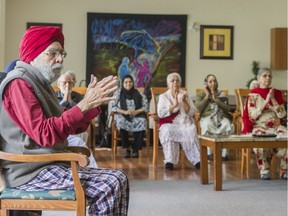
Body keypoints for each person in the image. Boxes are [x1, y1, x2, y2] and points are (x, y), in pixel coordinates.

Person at [0, 26, 129, 216]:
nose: (59, 59)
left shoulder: (39, 83)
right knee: (110, 184)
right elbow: (45, 134)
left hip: (47, 164)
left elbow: (65, 125)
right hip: (30, 171)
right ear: (33, 54)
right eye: (52, 53)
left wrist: (93, 104)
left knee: (118, 179)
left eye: (62, 53)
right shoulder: (19, 84)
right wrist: (83, 105)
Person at [242, 67, 287, 180]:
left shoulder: (276, 93)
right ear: (258, 78)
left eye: (270, 76)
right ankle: (264, 170)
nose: (268, 78)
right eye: (265, 75)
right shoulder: (253, 95)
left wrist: (273, 101)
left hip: (275, 126)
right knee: (259, 139)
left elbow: (282, 115)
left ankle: (284, 170)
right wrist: (265, 102)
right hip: (260, 126)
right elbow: (252, 116)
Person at [157, 72, 200, 170]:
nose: (175, 82)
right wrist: (174, 105)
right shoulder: (163, 97)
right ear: (168, 84)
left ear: (180, 83)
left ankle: (197, 160)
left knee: (191, 129)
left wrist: (184, 102)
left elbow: (193, 111)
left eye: (177, 80)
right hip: (169, 123)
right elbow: (160, 113)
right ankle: (169, 161)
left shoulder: (185, 95)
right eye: (172, 81)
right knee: (167, 131)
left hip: (184, 122)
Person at [56, 72, 97, 168]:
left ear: (73, 84)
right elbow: (55, 113)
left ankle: (81, 160)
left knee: (82, 133)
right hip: (60, 127)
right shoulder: (53, 96)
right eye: (64, 83)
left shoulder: (79, 97)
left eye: (70, 83)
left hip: (77, 127)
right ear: (58, 84)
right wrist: (64, 101)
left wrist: (71, 102)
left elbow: (85, 112)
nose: (67, 85)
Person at [195, 74, 232, 161]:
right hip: (207, 116)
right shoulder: (200, 95)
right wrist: (207, 96)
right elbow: (198, 109)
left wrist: (216, 100)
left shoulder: (221, 94)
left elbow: (227, 109)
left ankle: (224, 154)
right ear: (206, 84)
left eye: (214, 81)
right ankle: (209, 153)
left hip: (221, 116)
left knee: (227, 124)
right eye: (210, 81)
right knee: (207, 124)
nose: (213, 83)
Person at [111, 74, 148, 158]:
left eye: (130, 82)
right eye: (126, 82)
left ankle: (136, 149)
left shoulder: (139, 93)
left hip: (136, 115)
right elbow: (113, 107)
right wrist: (124, 112)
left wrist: (136, 111)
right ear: (122, 83)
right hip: (123, 115)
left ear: (133, 83)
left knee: (142, 121)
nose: (128, 84)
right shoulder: (118, 93)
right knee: (121, 122)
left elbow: (145, 106)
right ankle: (126, 148)